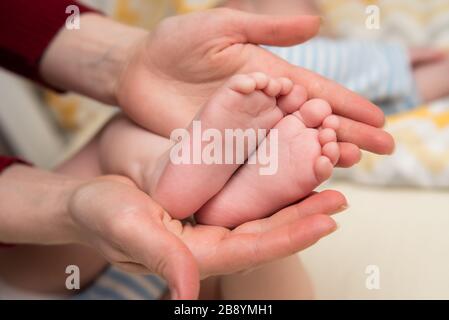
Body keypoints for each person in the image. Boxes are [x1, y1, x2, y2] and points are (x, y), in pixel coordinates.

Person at [0, 0, 394, 299]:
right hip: (139, 249)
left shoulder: (329, 60)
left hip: (76, 266)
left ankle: (167, 173)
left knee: (120, 137)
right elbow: (404, 74)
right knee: (255, 259)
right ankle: (233, 202)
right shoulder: (297, 76)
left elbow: (401, 71)